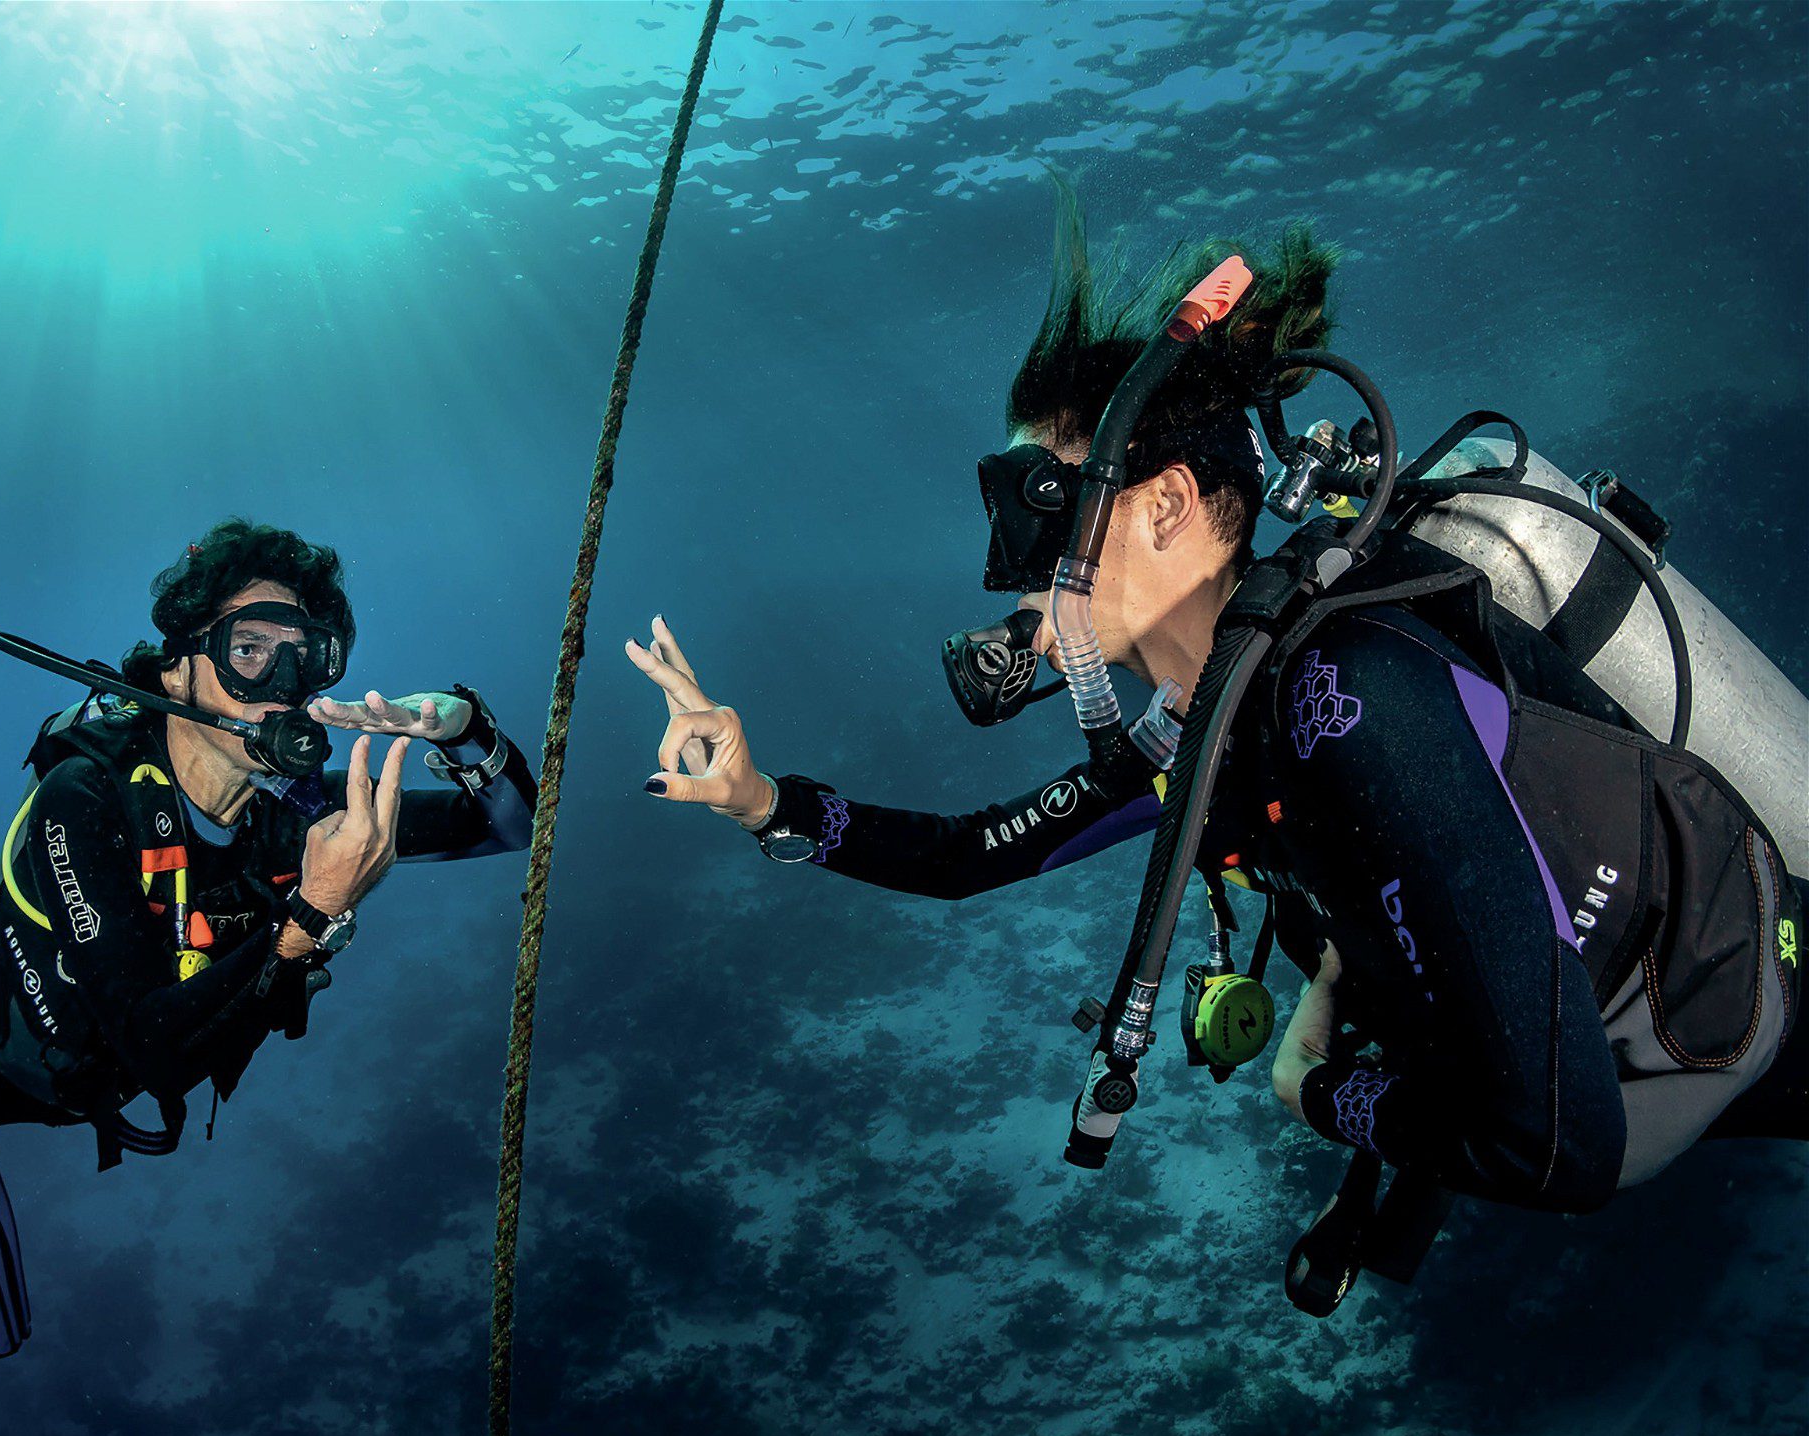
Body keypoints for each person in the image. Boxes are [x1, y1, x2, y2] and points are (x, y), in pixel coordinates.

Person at [626, 197, 1806, 1263]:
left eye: (1044, 516)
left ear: (1169, 506)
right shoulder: (1209, 731)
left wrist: (1311, 1090)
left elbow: (1553, 1148)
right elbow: (966, 857)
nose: (1017, 584)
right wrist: (762, 802)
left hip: (1719, 988)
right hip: (1648, 1026)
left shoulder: (1341, 698)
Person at [0, 519, 536, 1356]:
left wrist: (464, 729)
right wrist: (311, 913)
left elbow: (511, 827)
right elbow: (154, 1046)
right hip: (14, 1051)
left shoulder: (289, 817)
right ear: (180, 665)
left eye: (312, 654)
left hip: (120, 1078)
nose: (285, 682)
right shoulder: (85, 798)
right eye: (251, 649)